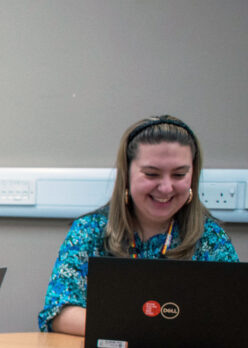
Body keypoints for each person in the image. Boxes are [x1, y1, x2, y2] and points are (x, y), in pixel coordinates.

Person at [38, 115, 239, 336]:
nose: (165, 188)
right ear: (127, 174)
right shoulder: (90, 231)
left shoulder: (210, 238)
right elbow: (58, 313)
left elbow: (234, 318)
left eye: (179, 174)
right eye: (151, 174)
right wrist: (140, 330)